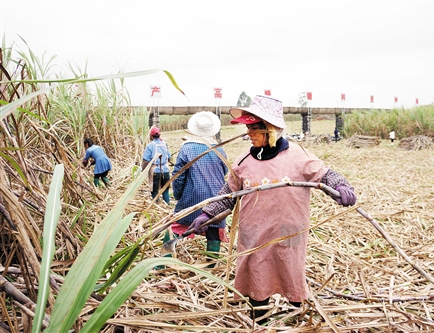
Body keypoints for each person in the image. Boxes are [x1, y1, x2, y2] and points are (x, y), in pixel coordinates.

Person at [189, 95, 356, 324]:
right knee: (257, 278)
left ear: (272, 129)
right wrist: (207, 215)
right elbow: (227, 195)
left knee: (291, 272)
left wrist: (340, 187)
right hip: (254, 235)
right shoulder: (243, 161)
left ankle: (300, 319)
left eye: (256, 129)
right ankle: (261, 323)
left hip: (289, 231)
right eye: (249, 129)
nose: (250, 134)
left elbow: (324, 174)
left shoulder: (297, 156)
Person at [166, 111, 229, 265]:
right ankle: (211, 265)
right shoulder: (219, 149)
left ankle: (164, 261)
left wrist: (179, 195)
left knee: (176, 226)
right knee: (213, 229)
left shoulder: (187, 148)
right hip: (217, 199)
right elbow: (225, 171)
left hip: (192, 197)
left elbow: (178, 175)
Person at [142, 127, 171, 204]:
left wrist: (143, 171)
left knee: (154, 191)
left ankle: (156, 206)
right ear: (159, 135)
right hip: (165, 171)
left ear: (151, 136)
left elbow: (146, 161)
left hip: (155, 171)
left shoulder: (150, 146)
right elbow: (169, 158)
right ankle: (167, 206)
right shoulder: (165, 144)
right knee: (165, 190)